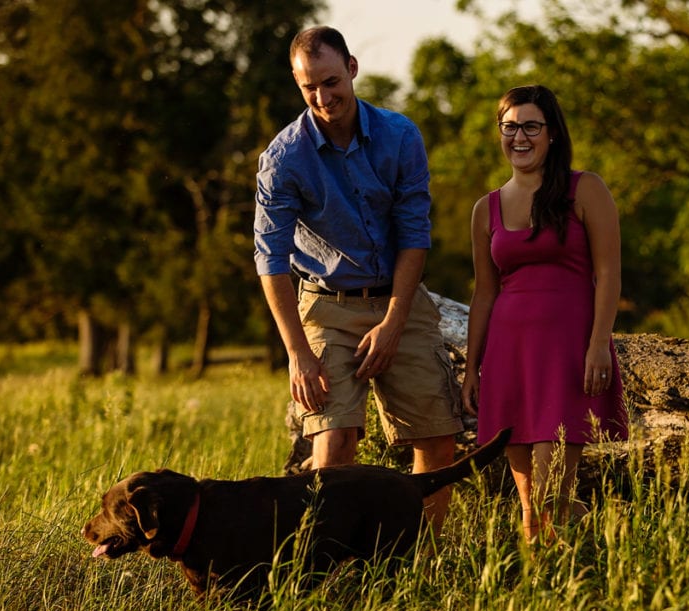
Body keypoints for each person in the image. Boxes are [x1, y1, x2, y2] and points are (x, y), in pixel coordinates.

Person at [253, 26, 463, 534]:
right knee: (334, 443)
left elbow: (415, 234)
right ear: (298, 85)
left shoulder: (400, 135)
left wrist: (393, 322)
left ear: (351, 68)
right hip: (327, 305)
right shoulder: (282, 159)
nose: (323, 97)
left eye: (330, 81)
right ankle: (334, 566)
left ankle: (420, 561)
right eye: (309, 88)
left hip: (401, 300)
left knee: (436, 440)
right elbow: (271, 260)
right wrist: (298, 352)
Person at [462, 85, 628, 545]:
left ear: (551, 133)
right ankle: (545, 590)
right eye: (509, 127)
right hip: (509, 357)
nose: (519, 137)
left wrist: (599, 343)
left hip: (566, 353)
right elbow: (484, 293)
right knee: (531, 504)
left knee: (555, 490)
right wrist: (472, 367)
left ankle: (600, 556)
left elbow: (609, 273)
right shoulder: (485, 209)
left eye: (530, 126)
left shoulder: (585, 189)